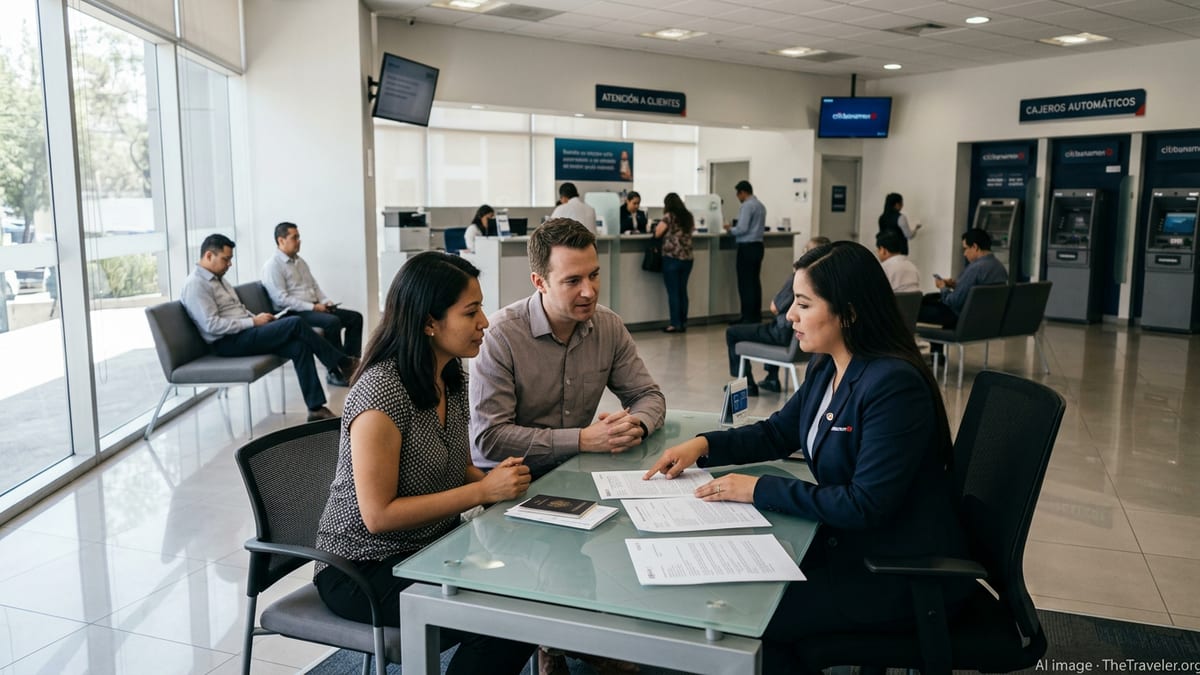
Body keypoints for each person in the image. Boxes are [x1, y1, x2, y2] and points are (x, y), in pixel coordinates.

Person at [644, 241, 972, 673]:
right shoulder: (829, 364)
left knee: (751, 621)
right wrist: (704, 446)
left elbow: (864, 504)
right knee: (734, 587)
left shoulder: (893, 385)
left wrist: (759, 489)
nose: (788, 315)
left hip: (892, 569)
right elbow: (779, 432)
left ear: (849, 312)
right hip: (850, 545)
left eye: (803, 304)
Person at [313, 251, 535, 674]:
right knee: (500, 624)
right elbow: (378, 517)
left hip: (431, 546)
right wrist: (482, 491)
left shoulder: (450, 376)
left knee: (526, 589)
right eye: (471, 312)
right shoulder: (381, 395)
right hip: (363, 568)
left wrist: (501, 487)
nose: (485, 322)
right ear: (429, 322)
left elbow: (457, 466)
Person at [469, 218, 666, 478]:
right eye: (573, 281)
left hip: (573, 468)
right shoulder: (499, 336)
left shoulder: (608, 326)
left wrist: (635, 425)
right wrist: (582, 440)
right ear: (540, 283)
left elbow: (648, 395)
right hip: (508, 478)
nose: (589, 292)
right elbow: (491, 437)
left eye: (594, 275)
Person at [181, 234, 355, 422]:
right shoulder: (196, 285)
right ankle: (343, 363)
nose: (230, 264)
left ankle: (316, 408)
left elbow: (236, 311)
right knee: (294, 322)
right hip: (227, 342)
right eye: (226, 259)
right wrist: (253, 323)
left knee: (299, 347)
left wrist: (257, 318)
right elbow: (212, 325)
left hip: (245, 332)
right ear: (208, 256)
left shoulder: (219, 280)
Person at [725, 236, 829, 395]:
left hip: (781, 331)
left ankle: (746, 384)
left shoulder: (799, 278)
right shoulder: (824, 281)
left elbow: (774, 308)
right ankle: (772, 377)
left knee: (733, 332)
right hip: (791, 335)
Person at [262, 222, 364, 359]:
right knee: (332, 322)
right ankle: (338, 367)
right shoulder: (273, 266)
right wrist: (313, 307)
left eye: (299, 237)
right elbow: (281, 299)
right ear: (281, 240)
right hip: (293, 313)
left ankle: (351, 362)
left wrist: (325, 301)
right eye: (294, 238)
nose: (299, 241)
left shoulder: (300, 262)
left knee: (355, 318)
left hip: (313, 308)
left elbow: (314, 286)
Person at [919, 228, 1009, 357]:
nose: (964, 254)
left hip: (961, 319)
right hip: (985, 320)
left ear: (975, 247)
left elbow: (953, 301)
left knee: (913, 309)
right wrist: (955, 285)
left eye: (966, 249)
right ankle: (936, 354)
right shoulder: (999, 267)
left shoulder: (975, 268)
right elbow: (975, 290)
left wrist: (943, 287)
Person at [724, 180, 766, 324]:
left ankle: (746, 317)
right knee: (754, 282)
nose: (738, 197)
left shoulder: (747, 206)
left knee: (745, 283)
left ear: (742, 192)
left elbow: (742, 228)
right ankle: (755, 315)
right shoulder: (760, 205)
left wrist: (729, 229)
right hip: (758, 247)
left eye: (738, 194)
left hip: (746, 248)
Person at [656, 192, 694, 334]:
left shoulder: (669, 216)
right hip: (687, 259)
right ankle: (683, 322)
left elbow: (657, 233)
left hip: (672, 258)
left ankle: (675, 324)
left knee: (673, 292)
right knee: (682, 291)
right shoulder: (688, 216)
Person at [875, 229, 921, 293]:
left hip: (891, 302)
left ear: (883, 250)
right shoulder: (912, 266)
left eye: (878, 250)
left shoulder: (883, 268)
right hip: (914, 303)